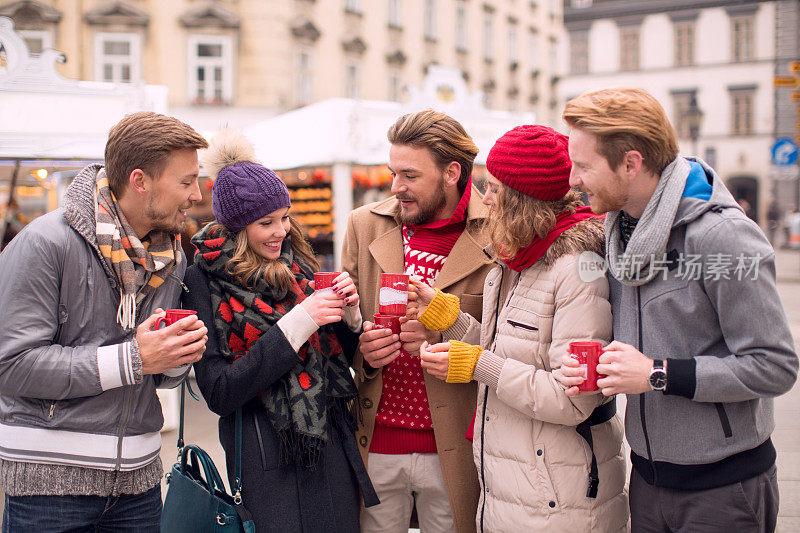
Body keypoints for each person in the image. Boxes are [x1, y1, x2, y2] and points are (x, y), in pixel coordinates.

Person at [557, 87, 798, 532]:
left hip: (724, 490)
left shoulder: (722, 236)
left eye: (584, 166)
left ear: (631, 163)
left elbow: (775, 366)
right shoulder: (618, 234)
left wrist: (656, 373)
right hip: (648, 480)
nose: (573, 179)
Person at [0, 112, 209, 531]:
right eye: (186, 182)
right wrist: (134, 358)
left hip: (140, 486)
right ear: (140, 181)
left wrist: (174, 357)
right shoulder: (45, 243)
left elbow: (154, 376)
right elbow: (12, 365)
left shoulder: (171, 255)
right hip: (49, 488)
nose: (197, 195)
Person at [413, 125, 628, 532]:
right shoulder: (517, 259)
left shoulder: (579, 271)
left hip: (561, 500)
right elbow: (510, 352)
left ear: (524, 199)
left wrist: (478, 365)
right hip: (515, 489)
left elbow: (574, 401)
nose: (485, 200)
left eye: (494, 189)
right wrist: (450, 319)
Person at [182, 130, 378, 532]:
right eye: (266, 222)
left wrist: (351, 315)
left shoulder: (299, 267)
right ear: (237, 228)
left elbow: (336, 354)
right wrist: (299, 322)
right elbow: (220, 391)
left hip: (330, 446)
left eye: (285, 217)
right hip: (267, 459)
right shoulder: (202, 280)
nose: (281, 231)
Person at [341, 109, 494, 533]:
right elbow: (342, 326)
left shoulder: (498, 232)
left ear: (451, 172)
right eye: (393, 173)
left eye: (409, 175)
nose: (396, 187)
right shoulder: (363, 225)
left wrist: (444, 325)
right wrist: (363, 352)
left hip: (458, 446)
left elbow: (509, 345)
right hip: (377, 441)